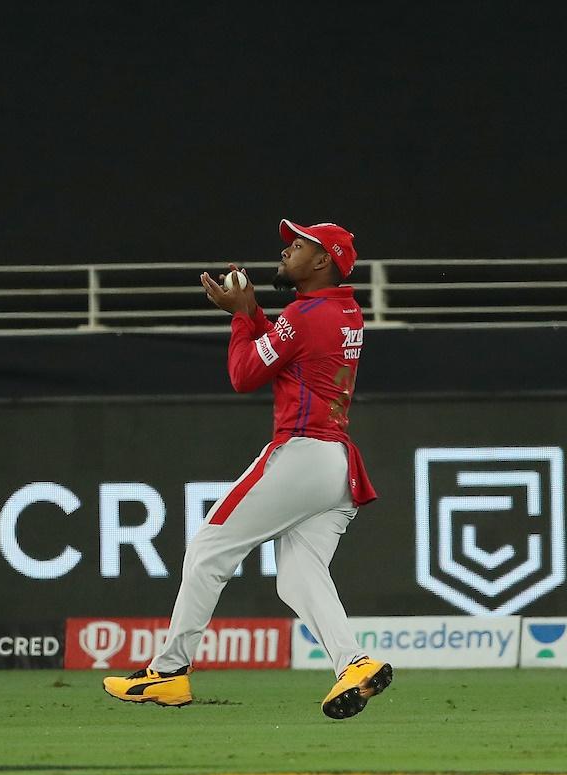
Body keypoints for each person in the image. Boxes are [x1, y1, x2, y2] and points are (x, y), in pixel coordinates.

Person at [103, 219, 392, 719]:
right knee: (300, 576)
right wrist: (254, 312)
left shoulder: (305, 315)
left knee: (209, 547)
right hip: (336, 464)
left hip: (301, 454)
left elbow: (244, 375)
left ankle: (169, 673)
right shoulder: (342, 309)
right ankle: (355, 664)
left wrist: (241, 317)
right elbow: (284, 354)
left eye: (298, 246)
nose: (286, 252)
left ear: (323, 261)